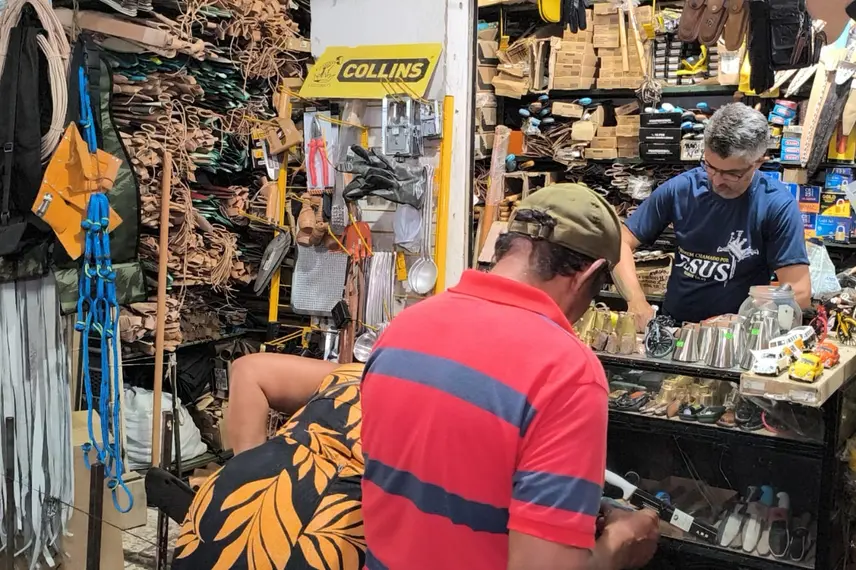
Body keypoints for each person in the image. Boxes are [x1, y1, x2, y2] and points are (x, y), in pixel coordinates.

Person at [360, 184, 660, 570]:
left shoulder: (403, 328)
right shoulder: (569, 374)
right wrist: (622, 542)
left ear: (505, 246)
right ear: (589, 275)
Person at [613, 103, 810, 331]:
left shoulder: (777, 205)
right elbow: (620, 242)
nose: (717, 181)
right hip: (674, 328)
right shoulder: (682, 189)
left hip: (736, 334)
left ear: (758, 162)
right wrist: (636, 301)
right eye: (710, 166)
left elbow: (800, 292)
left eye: (732, 173)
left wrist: (741, 319)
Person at [171, 354, 367, 570]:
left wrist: (253, 469)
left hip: (235, 495)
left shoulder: (360, 375)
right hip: (331, 525)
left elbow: (248, 369)